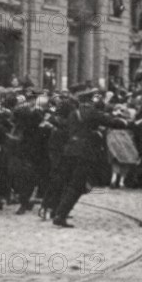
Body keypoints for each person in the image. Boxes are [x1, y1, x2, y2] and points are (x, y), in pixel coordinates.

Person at [53, 89, 129, 228]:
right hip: (84, 152)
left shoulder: (73, 114)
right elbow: (111, 122)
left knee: (68, 182)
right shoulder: (92, 113)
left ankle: (57, 211)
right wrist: (126, 122)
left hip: (70, 150)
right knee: (77, 185)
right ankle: (61, 215)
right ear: (90, 101)